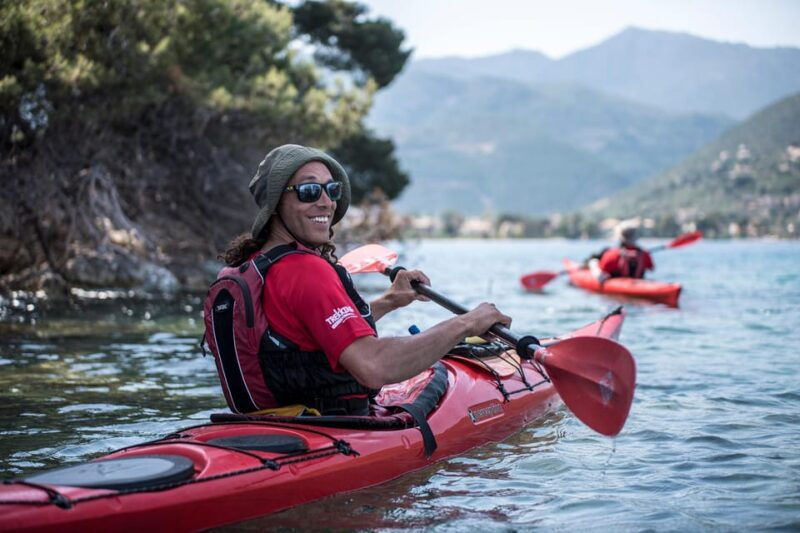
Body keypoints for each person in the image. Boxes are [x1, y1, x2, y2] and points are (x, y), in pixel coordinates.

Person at [218, 144, 510, 415]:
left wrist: (390, 301)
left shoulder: (254, 265)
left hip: (273, 423)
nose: (326, 202)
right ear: (276, 202)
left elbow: (304, 338)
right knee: (440, 378)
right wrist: (467, 323)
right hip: (327, 426)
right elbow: (373, 365)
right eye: (308, 191)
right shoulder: (305, 271)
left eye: (331, 190)